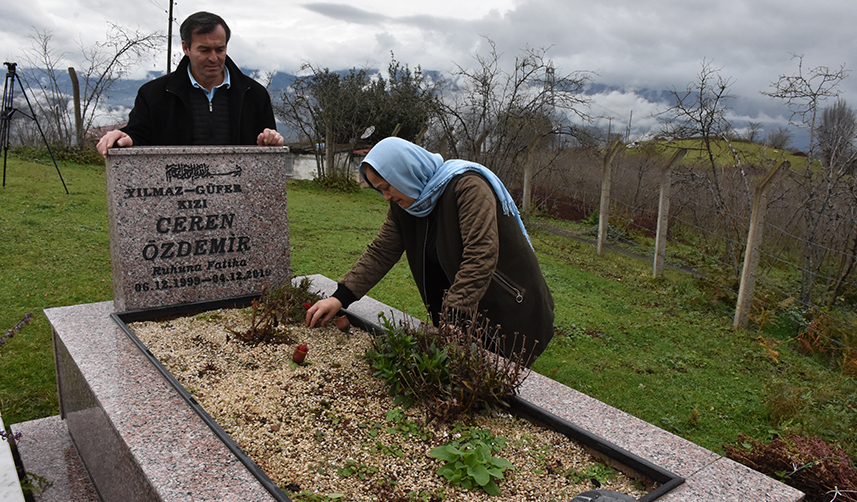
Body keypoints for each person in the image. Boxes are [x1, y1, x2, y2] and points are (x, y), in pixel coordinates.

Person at [306, 137, 555, 363]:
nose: (385, 197)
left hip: (508, 306)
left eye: (386, 187)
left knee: (500, 383)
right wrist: (340, 297)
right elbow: (381, 252)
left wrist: (454, 319)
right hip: (460, 314)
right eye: (379, 190)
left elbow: (480, 255)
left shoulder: (467, 187)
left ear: (404, 174)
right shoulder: (406, 205)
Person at [96, 11, 282, 157]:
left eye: (220, 49)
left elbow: (268, 146)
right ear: (186, 48)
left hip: (238, 197)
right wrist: (125, 138)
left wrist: (271, 141)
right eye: (204, 50)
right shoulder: (154, 95)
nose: (213, 58)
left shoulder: (254, 94)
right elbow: (139, 135)